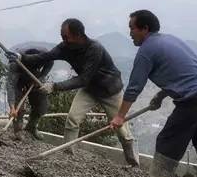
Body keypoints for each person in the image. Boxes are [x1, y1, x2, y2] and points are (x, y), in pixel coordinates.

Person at [110, 10, 197, 177]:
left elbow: (134, 88)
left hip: (196, 97)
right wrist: (162, 94)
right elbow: (184, 71)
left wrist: (120, 116)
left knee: (167, 140)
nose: (129, 33)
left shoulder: (146, 50)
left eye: (132, 28)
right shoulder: (168, 39)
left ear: (145, 29)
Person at [11, 18, 139, 166]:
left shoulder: (94, 49)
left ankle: (133, 163)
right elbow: (44, 57)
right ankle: (67, 155)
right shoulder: (65, 47)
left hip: (110, 91)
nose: (63, 40)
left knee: (121, 129)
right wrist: (21, 57)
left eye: (66, 36)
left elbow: (84, 78)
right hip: (90, 90)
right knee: (72, 118)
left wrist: (55, 86)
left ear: (78, 35)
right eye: (62, 36)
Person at [6, 45, 54, 140]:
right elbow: (11, 85)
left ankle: (31, 127)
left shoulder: (45, 56)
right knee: (17, 106)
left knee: (42, 104)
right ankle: (18, 130)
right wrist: (12, 106)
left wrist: (41, 77)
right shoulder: (15, 63)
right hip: (19, 78)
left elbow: (50, 63)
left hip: (34, 77)